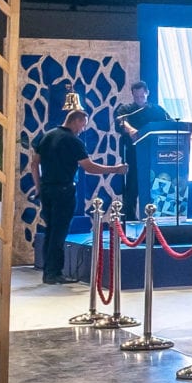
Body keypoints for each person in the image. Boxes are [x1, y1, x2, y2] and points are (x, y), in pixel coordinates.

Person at [30, 110, 125, 285]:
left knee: (51, 230)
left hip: (46, 190)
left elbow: (34, 164)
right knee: (59, 232)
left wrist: (38, 187)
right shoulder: (73, 141)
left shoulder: (47, 136)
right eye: (83, 124)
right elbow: (89, 167)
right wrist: (115, 169)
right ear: (76, 120)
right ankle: (54, 273)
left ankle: (48, 271)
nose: (83, 129)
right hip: (63, 190)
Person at [115, 80, 173, 218]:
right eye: (136, 97)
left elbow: (170, 124)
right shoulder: (126, 110)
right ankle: (130, 219)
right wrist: (130, 130)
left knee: (156, 186)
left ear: (147, 93)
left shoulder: (157, 110)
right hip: (133, 155)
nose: (139, 99)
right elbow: (121, 122)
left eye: (142, 96)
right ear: (132, 95)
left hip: (155, 156)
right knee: (132, 187)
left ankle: (156, 218)